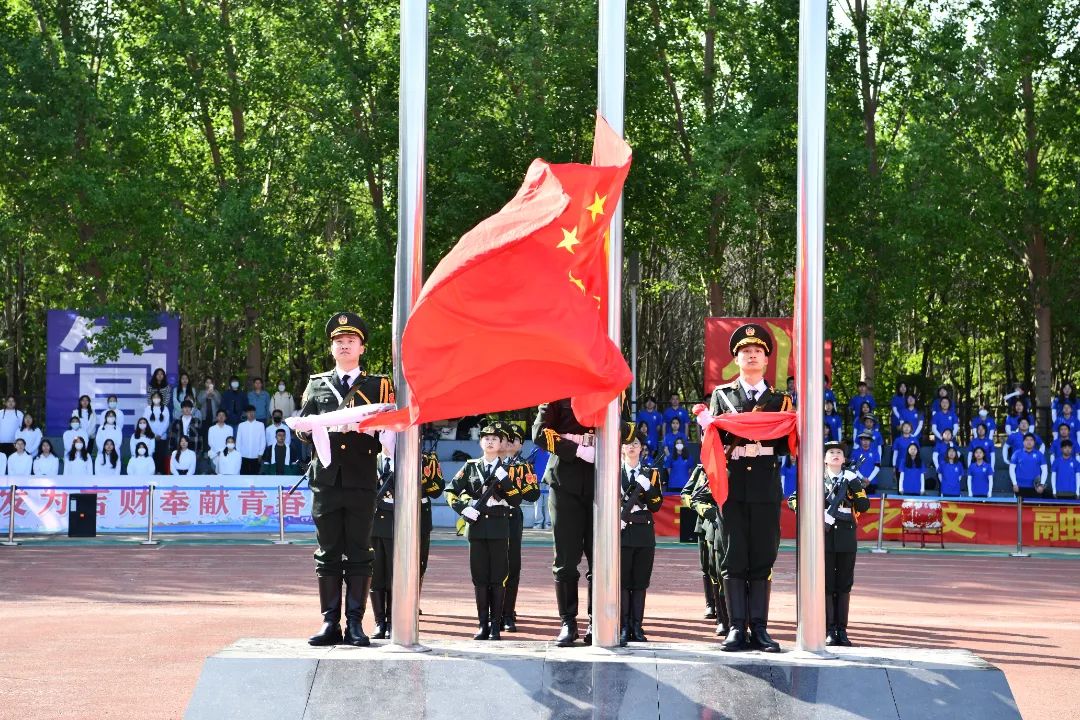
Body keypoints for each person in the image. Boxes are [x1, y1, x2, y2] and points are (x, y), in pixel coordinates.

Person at [291, 311, 395, 648]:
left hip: (361, 478)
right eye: (339, 341)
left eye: (351, 341)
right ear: (332, 348)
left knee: (360, 551)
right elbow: (304, 428)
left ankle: (355, 623)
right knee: (328, 551)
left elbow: (391, 427)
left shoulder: (378, 385)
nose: (344, 345)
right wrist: (314, 430)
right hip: (326, 480)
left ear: (362, 348)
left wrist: (367, 427)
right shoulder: (317, 384)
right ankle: (329, 621)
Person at [705, 323, 792, 652]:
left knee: (763, 556)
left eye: (757, 351)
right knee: (733, 554)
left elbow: (785, 444)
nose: (751, 355)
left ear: (767, 360)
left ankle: (760, 628)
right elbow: (714, 440)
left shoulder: (781, 400)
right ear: (736, 359)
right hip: (734, 484)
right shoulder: (722, 396)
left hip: (765, 484)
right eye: (745, 351)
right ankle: (735, 627)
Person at [787, 441, 869, 646]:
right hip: (823, 536)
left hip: (846, 536)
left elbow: (863, 506)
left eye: (839, 452)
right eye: (831, 452)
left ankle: (842, 630)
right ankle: (829, 629)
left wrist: (854, 484)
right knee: (827, 583)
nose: (835, 454)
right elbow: (793, 500)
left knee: (844, 584)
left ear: (844, 458)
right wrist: (812, 514)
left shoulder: (851, 478)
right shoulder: (815, 478)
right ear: (824, 459)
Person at [447, 421, 522, 641]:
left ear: (501, 443)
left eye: (494, 439)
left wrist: (504, 479)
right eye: (486, 438)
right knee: (479, 578)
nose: (490, 442)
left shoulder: (510, 469)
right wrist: (464, 508)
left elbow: (516, 500)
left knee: (498, 578)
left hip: (500, 528)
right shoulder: (471, 466)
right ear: (480, 442)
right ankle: (482, 625)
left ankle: (496, 625)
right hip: (477, 528)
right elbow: (450, 490)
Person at [533, 398, 597, 646]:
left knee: (600, 559)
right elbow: (539, 433)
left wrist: (604, 443)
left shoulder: (608, 388)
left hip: (600, 479)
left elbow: (626, 428)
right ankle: (568, 622)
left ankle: (596, 620)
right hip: (565, 480)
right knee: (566, 559)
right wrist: (577, 449)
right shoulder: (558, 391)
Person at [618, 422, 663, 645]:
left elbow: (656, 505)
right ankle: (623, 626)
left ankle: (637, 625)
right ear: (621, 448)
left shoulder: (651, 474)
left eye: (636, 443)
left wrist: (648, 487)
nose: (632, 447)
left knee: (640, 582)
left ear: (642, 448)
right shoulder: (613, 472)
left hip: (644, 533)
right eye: (628, 443)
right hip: (621, 532)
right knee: (623, 582)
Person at [500, 422, 540, 632]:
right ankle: (493, 612)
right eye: (505, 438)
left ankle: (508, 612)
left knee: (512, 565)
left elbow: (533, 494)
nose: (509, 442)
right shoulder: (488, 463)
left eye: (514, 439)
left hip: (512, 515)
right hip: (491, 516)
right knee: (492, 566)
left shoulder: (523, 466)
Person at [682, 463, 726, 634]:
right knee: (707, 567)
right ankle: (711, 604)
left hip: (722, 520)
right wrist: (699, 508)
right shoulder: (701, 469)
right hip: (704, 522)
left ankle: (724, 612)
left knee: (720, 568)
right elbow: (686, 494)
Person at [369, 453, 396, 639]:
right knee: (376, 576)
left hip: (396, 525)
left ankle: (393, 621)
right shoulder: (371, 459)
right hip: (373, 526)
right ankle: (380, 622)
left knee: (394, 577)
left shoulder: (405, 460)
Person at [419, 450, 446, 604]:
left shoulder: (428, 460)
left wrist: (423, 477)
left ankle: (414, 600)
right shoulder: (384, 459)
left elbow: (436, 491)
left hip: (421, 513)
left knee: (420, 561)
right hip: (390, 512)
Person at [1009, 433, 1047, 498]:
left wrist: (1042, 484)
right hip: (1019, 486)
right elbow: (1011, 469)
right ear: (1023, 442)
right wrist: (1014, 484)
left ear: (1034, 442)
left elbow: (1045, 470)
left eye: (1031, 440)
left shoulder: (1039, 454)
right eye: (1027, 440)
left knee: (1034, 504)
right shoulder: (1016, 453)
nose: (1029, 442)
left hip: (1036, 487)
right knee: (1020, 504)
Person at [143, 391, 171, 473]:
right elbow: (145, 422)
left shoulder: (165, 409)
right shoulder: (147, 409)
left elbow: (166, 423)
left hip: (162, 437)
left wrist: (160, 434)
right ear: (151, 399)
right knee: (151, 455)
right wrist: (153, 434)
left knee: (161, 455)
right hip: (150, 437)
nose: (156, 399)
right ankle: (152, 472)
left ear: (161, 399)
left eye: (158, 397)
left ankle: (160, 473)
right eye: (154, 397)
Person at [236, 406, 266, 474]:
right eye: (249, 412)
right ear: (246, 414)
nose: (251, 414)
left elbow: (263, 441)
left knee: (255, 475)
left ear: (255, 413)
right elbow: (238, 441)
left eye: (253, 412)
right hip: (243, 455)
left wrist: (260, 453)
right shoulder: (241, 425)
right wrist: (239, 454)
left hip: (256, 455)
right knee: (243, 474)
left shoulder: (260, 425)